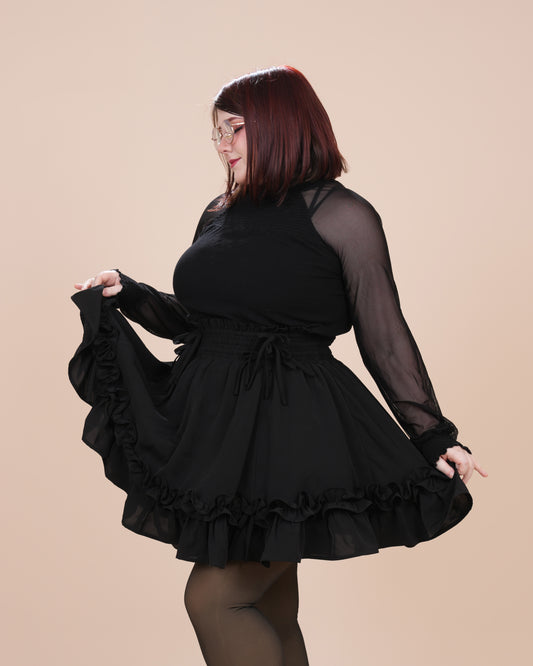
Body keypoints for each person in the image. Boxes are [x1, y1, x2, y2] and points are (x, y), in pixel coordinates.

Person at [69, 65, 488, 666]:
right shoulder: (220, 210)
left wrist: (433, 435)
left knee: (215, 600)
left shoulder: (341, 214)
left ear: (279, 125)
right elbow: (204, 321)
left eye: (234, 129)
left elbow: (383, 333)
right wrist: (128, 293)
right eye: (217, 132)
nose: (222, 144)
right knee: (271, 608)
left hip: (288, 430)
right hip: (220, 432)